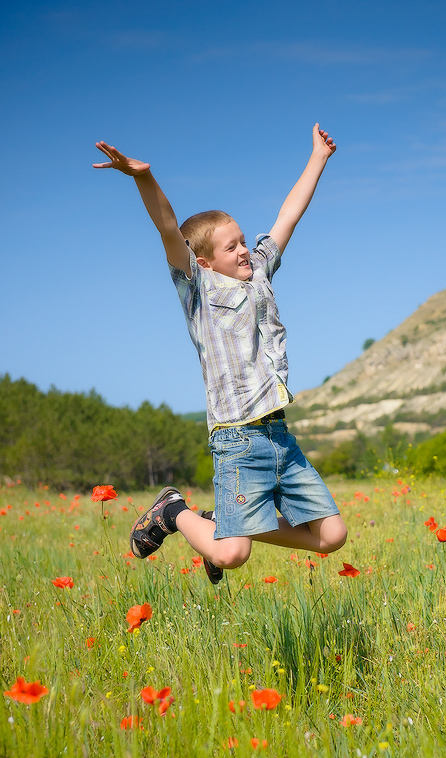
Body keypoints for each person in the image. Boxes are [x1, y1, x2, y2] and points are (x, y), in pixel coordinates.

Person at [93, 125, 347, 583]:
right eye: (232, 247)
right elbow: (170, 228)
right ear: (205, 262)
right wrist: (142, 178)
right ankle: (174, 511)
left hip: (278, 436)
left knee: (332, 536)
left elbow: (289, 216)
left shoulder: (260, 274)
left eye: (244, 240)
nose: (245, 250)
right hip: (236, 440)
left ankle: (220, 523)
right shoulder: (199, 289)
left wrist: (318, 158)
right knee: (232, 556)